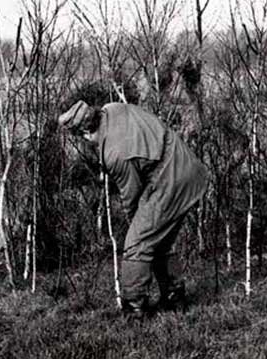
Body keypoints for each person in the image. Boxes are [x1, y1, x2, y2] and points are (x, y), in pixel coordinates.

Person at [58, 100, 208, 317]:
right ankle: (175, 299)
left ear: (86, 132)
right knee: (160, 240)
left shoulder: (115, 154)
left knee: (137, 243)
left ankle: (135, 309)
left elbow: (132, 195)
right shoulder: (111, 108)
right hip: (187, 165)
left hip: (171, 178)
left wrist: (134, 224)